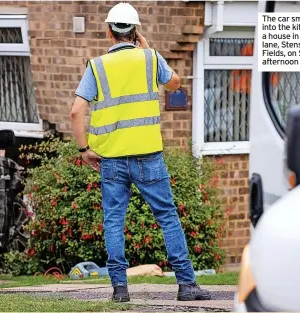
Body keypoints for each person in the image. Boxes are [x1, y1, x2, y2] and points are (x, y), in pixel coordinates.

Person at [69, 2, 212, 303]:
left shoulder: (97, 66)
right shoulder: (150, 59)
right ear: (135, 31)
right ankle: (187, 285)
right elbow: (175, 84)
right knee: (168, 218)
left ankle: (120, 291)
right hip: (148, 156)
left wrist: (84, 150)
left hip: (112, 160)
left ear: (109, 31)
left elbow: (76, 112)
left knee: (113, 221)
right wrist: (149, 49)